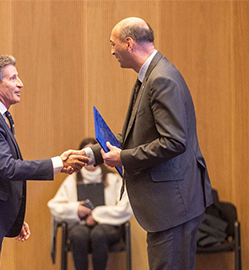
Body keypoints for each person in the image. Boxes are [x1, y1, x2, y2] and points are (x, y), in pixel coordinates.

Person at [82, 18, 213, 269]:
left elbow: (174, 141)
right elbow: (133, 138)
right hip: (169, 206)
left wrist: (124, 158)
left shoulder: (161, 79)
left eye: (113, 44)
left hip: (173, 205)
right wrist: (90, 154)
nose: (112, 51)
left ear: (129, 43)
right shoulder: (150, 76)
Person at [0, 55, 89, 270]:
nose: (20, 83)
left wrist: (11, 216)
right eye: (13, 78)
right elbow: (8, 167)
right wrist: (58, 163)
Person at [48, 137, 132, 270]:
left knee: (98, 234)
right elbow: (54, 206)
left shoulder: (113, 179)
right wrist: (76, 209)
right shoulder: (73, 180)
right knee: (77, 235)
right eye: (87, 156)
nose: (90, 160)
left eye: (94, 155)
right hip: (81, 226)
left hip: (107, 228)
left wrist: (97, 215)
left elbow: (125, 209)